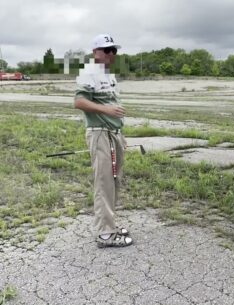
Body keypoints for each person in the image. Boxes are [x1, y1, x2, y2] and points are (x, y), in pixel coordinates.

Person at [74, 34, 133, 248]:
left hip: (113, 133)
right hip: (100, 134)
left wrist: (120, 134)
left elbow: (113, 105)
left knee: (114, 180)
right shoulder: (88, 73)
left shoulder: (108, 75)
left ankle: (111, 224)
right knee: (104, 182)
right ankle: (105, 234)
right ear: (95, 52)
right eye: (106, 50)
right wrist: (107, 110)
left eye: (113, 50)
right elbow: (79, 102)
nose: (111, 54)